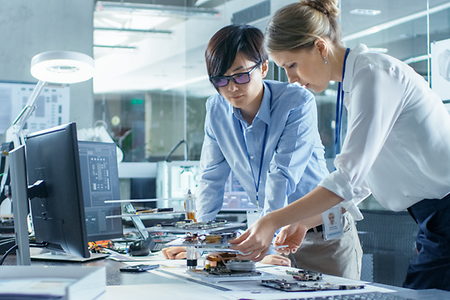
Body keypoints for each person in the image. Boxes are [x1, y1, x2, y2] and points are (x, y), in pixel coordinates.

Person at [229, 0, 450, 291]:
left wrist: (272, 220)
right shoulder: (357, 82)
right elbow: (360, 185)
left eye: (292, 65)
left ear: (320, 47)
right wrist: (306, 222)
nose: (293, 80)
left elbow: (347, 179)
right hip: (432, 219)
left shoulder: (373, 75)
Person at [162, 24, 363, 279]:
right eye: (220, 80)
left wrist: (263, 246)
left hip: (322, 236)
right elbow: (211, 179)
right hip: (272, 237)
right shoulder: (216, 110)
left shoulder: (297, 102)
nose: (231, 88)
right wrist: (194, 239)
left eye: (241, 75)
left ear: (264, 67)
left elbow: (281, 177)